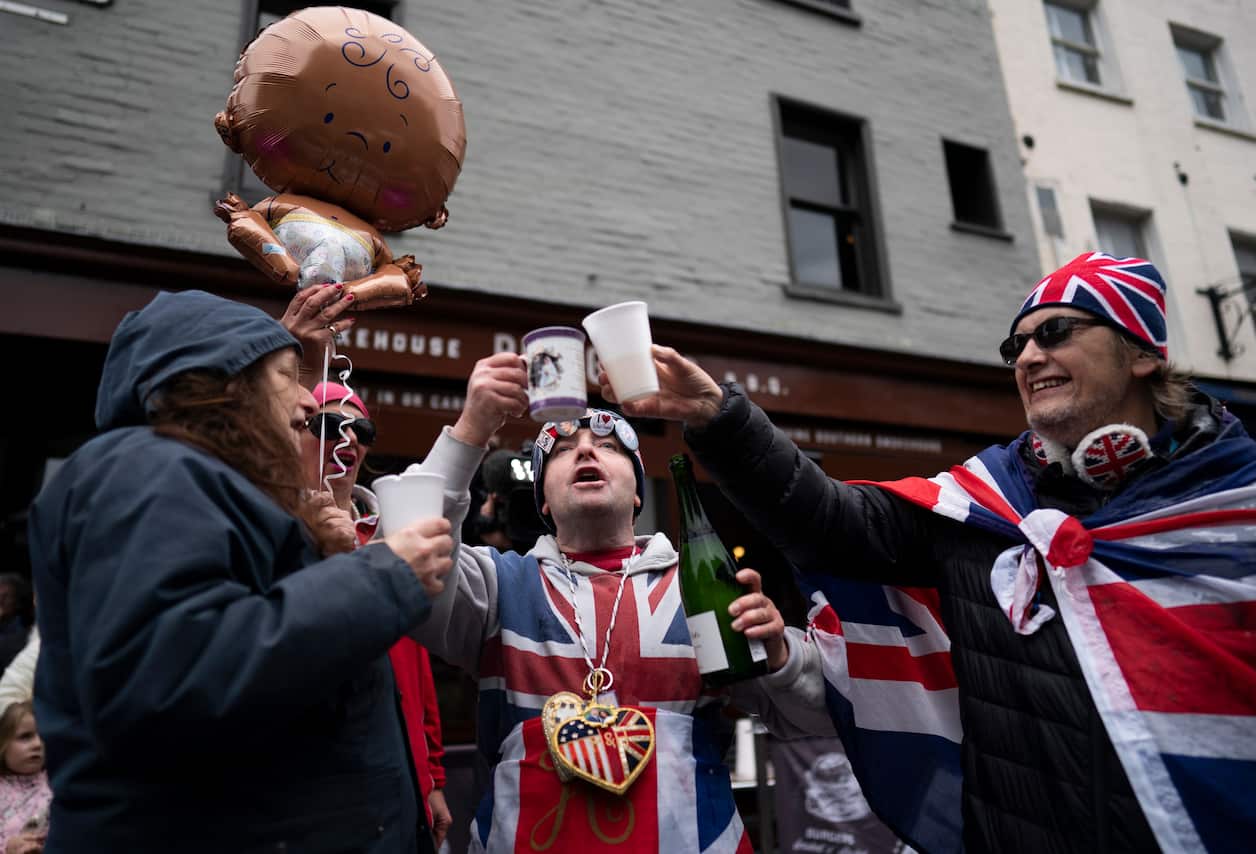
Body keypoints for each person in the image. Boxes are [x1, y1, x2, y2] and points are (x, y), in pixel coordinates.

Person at [606, 252, 1256, 853]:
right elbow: (832, 524)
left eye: (1055, 332)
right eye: (1014, 346)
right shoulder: (985, 503)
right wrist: (721, 419)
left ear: (1142, 352)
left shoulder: (1253, 510)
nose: (1028, 358)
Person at [27, 290, 454, 853]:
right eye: (285, 374)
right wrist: (383, 578)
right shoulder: (149, 471)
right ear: (228, 388)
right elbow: (172, 677)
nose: (308, 403)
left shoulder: (191, 477)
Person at [410, 352, 830, 853]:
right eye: (564, 450)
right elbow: (401, 558)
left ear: (637, 492)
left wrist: (779, 657)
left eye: (608, 446)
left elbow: (815, 716)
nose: (586, 451)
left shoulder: (696, 585)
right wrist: (471, 428)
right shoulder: (497, 585)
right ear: (543, 500)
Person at [301, 379, 453, 849]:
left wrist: (432, 775)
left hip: (402, 768)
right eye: (329, 424)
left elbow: (417, 660)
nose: (347, 440)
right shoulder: (281, 530)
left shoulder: (391, 534)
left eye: (361, 430)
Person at [0, 702, 50, 854]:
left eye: (43, 736)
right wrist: (7, 848)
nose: (37, 744)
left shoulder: (60, 781)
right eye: (25, 737)